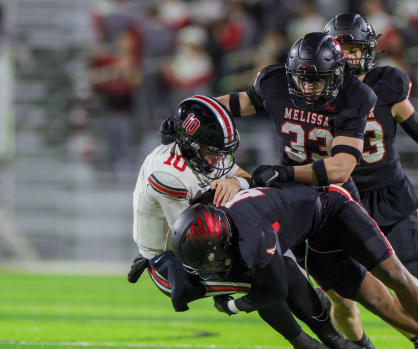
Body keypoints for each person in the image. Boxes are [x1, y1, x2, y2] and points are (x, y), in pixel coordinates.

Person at [128, 95, 358, 349]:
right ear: (190, 144)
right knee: (272, 274)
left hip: (205, 240)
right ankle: (312, 342)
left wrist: (235, 182)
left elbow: (247, 179)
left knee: (275, 267)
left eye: (221, 154)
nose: (218, 160)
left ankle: (328, 339)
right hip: (174, 260)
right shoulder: (167, 175)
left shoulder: (204, 154)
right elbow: (190, 238)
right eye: (211, 153)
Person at [324, 13, 418, 349]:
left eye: (354, 47)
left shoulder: (387, 85)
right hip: (344, 200)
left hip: (389, 198)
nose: (349, 55)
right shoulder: (318, 90)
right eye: (342, 47)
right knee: (342, 298)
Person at [171, 185, 418, 349]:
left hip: (334, 210)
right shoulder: (218, 221)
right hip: (311, 238)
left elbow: (276, 287)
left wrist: (235, 306)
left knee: (395, 277)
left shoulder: (250, 236)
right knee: (376, 303)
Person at [215, 32, 376, 200]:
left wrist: (283, 172)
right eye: (301, 78)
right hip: (290, 188)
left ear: (335, 76)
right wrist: (195, 107)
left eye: (315, 79)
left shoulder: (353, 97)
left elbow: (340, 169)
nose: (307, 86)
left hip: (334, 192)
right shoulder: (277, 83)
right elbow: (238, 103)